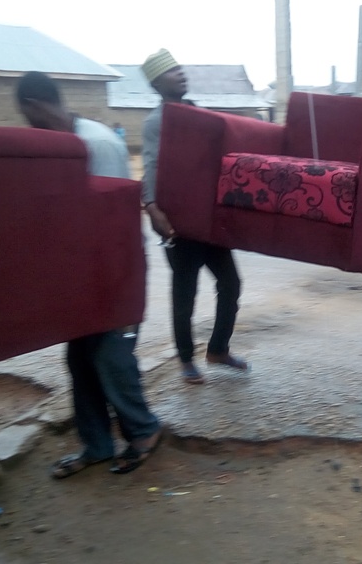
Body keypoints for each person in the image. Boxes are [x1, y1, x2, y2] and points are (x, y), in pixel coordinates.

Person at [15, 71, 162, 477]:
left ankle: (144, 430)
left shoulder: (95, 143)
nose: (32, 128)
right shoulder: (64, 147)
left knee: (112, 355)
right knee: (80, 358)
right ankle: (96, 445)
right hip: (81, 271)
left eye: (31, 118)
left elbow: (113, 220)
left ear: (36, 105)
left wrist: (113, 281)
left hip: (113, 268)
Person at [140, 48, 248, 385]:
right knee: (185, 291)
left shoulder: (197, 114)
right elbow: (151, 166)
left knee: (230, 282)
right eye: (173, 72)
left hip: (209, 219)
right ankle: (186, 358)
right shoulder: (157, 122)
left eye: (181, 69)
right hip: (179, 220)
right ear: (157, 84)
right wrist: (152, 208)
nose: (181, 74)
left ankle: (218, 349)